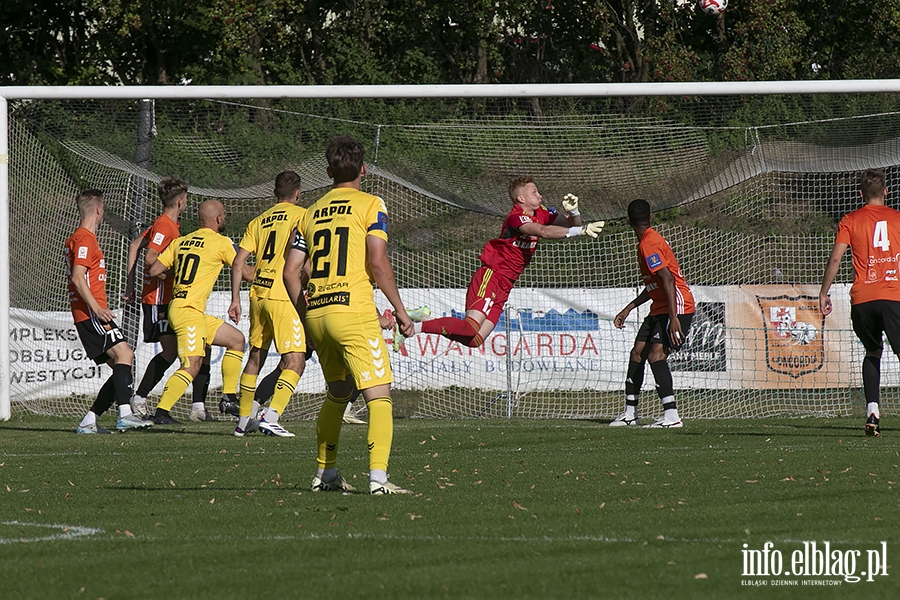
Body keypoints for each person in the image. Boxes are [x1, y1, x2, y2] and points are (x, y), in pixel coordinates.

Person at [284, 135, 417, 495]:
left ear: (328, 172)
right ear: (364, 169)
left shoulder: (309, 213)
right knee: (379, 394)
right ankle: (378, 480)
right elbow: (377, 260)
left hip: (318, 312)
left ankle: (325, 474)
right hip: (353, 310)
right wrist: (401, 312)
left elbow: (290, 271)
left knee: (339, 391)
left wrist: (304, 316)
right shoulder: (371, 204)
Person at [408, 177, 604, 350]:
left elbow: (573, 225)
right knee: (469, 327)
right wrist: (579, 230)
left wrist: (575, 212)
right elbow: (544, 232)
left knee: (475, 340)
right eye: (534, 192)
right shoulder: (515, 217)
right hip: (491, 276)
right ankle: (412, 328)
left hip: (506, 284)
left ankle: (422, 320)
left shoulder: (542, 212)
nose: (540, 195)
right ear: (521, 199)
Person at [123, 177, 217, 421]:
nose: (187, 204)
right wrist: (174, 274)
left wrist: (130, 285)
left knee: (198, 349)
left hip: (168, 299)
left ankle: (197, 407)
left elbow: (134, 246)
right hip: (159, 300)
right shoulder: (165, 226)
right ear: (179, 201)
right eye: (185, 199)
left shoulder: (168, 225)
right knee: (171, 351)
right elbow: (149, 258)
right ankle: (141, 398)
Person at [147, 200, 246, 425]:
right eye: (224, 215)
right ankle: (161, 412)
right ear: (218, 219)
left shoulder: (182, 242)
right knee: (191, 366)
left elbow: (154, 269)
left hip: (186, 309)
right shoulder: (221, 242)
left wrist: (179, 274)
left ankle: (229, 398)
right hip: (188, 312)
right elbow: (246, 272)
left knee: (236, 340)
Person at [819, 168, 900, 437]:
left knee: (872, 352)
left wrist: (824, 292)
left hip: (863, 300)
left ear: (860, 194)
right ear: (886, 192)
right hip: (893, 297)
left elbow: (835, 259)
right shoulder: (897, 219)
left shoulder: (850, 220)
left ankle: (872, 410)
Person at [228, 171, 308, 438]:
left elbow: (238, 262)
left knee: (255, 357)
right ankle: (271, 416)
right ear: (298, 193)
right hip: (283, 296)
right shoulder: (302, 216)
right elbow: (304, 261)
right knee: (296, 360)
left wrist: (235, 298)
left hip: (257, 296)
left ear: (274, 193)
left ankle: (242, 422)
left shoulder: (258, 221)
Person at [65, 189, 151, 433]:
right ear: (99, 210)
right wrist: (97, 309)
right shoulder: (84, 238)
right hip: (91, 313)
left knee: (122, 366)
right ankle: (125, 414)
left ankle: (89, 420)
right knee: (125, 355)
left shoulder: (78, 238)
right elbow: (78, 277)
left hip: (87, 314)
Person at [611, 199, 694, 429]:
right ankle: (630, 414)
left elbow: (667, 279)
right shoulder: (648, 241)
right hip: (660, 307)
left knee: (656, 356)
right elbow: (655, 284)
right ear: (650, 217)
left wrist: (674, 316)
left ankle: (671, 416)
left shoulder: (649, 243)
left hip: (676, 306)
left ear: (628, 220)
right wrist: (629, 307)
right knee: (637, 353)